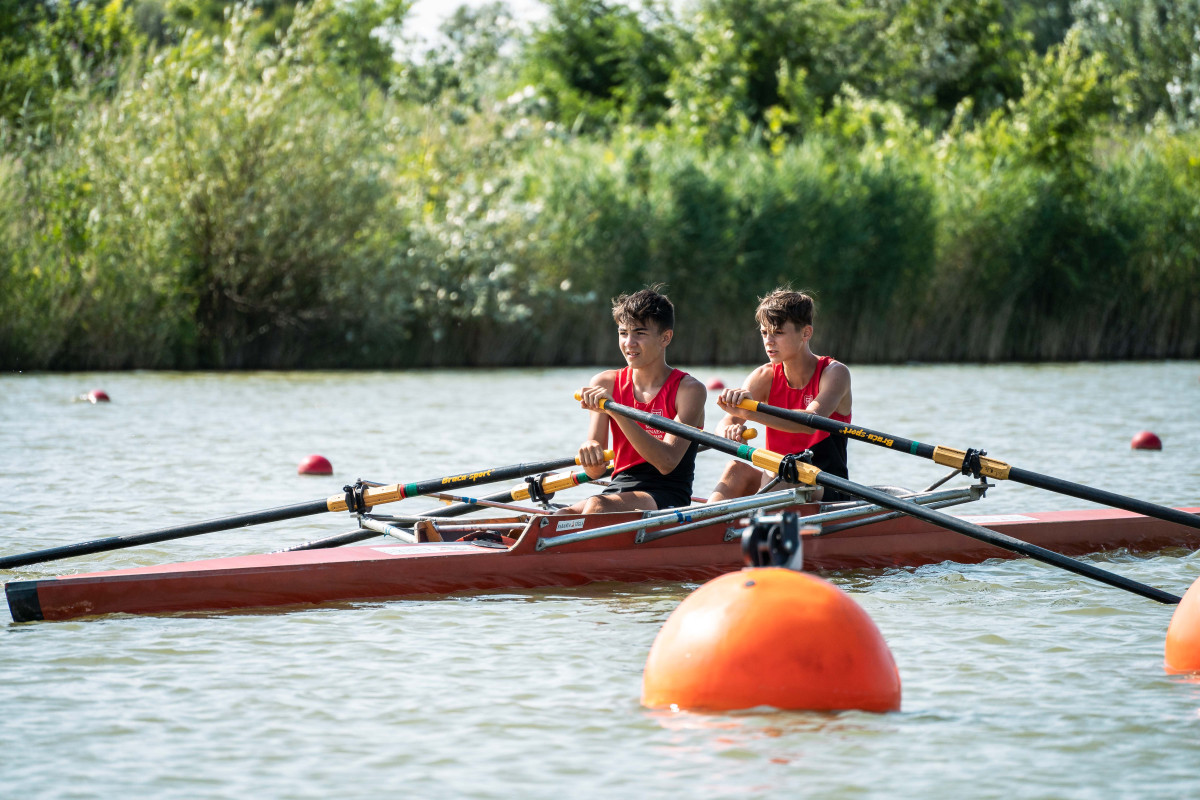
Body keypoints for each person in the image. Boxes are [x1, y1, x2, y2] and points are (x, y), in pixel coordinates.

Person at [564, 287, 706, 514]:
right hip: (619, 488)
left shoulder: (689, 390)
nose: (629, 343)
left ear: (665, 338)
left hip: (667, 493)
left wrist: (616, 410)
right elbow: (595, 472)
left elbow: (667, 462)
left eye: (639, 333)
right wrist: (589, 451)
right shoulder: (605, 382)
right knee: (561, 516)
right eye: (623, 333)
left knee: (597, 507)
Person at [708, 289, 852, 503]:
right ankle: (703, 522)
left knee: (784, 477)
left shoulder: (834, 373)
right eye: (764, 333)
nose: (769, 341)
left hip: (828, 488)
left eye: (778, 332)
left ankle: (748, 517)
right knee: (735, 470)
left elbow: (810, 423)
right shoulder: (763, 376)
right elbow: (726, 422)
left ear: (806, 333)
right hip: (778, 478)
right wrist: (730, 431)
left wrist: (749, 412)